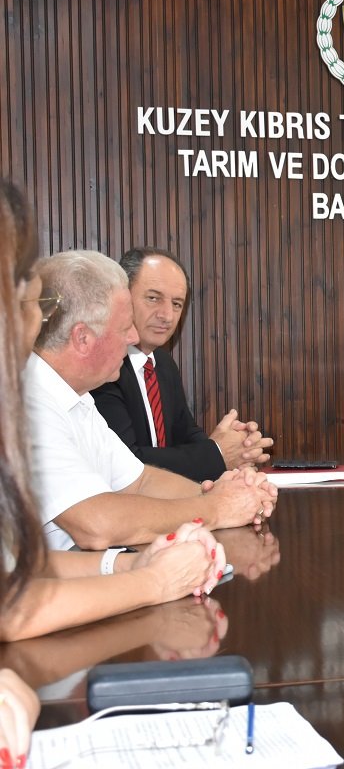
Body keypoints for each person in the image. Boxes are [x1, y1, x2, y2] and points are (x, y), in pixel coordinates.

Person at [0, 181, 225, 764]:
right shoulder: (26, 398)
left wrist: (127, 565)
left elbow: (20, 569)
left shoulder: (67, 396)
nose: (34, 315)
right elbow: (16, 605)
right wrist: (154, 580)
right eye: (23, 296)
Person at [25, 249, 277, 551]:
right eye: (123, 328)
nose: (133, 338)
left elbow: (139, 480)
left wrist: (220, 495)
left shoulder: (78, 399)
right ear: (82, 339)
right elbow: (96, 526)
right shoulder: (28, 402)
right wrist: (216, 509)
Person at [92, 247, 273, 483]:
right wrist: (217, 453)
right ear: (122, 297)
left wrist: (239, 448)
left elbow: (185, 433)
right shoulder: (103, 366)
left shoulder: (163, 364)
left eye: (177, 304)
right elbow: (128, 461)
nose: (167, 315)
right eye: (153, 298)